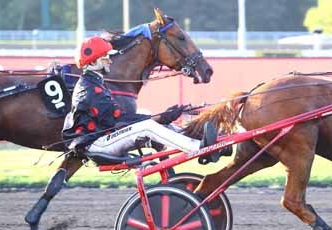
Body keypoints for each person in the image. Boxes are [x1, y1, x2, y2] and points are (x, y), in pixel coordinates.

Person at [63, 36, 221, 162]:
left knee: (149, 118)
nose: (109, 60)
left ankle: (199, 138)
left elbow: (117, 119)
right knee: (147, 125)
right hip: (95, 145)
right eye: (105, 57)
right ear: (93, 61)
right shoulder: (89, 88)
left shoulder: (94, 82)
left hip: (103, 138)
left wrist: (162, 118)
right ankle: (198, 148)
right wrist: (159, 118)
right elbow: (117, 120)